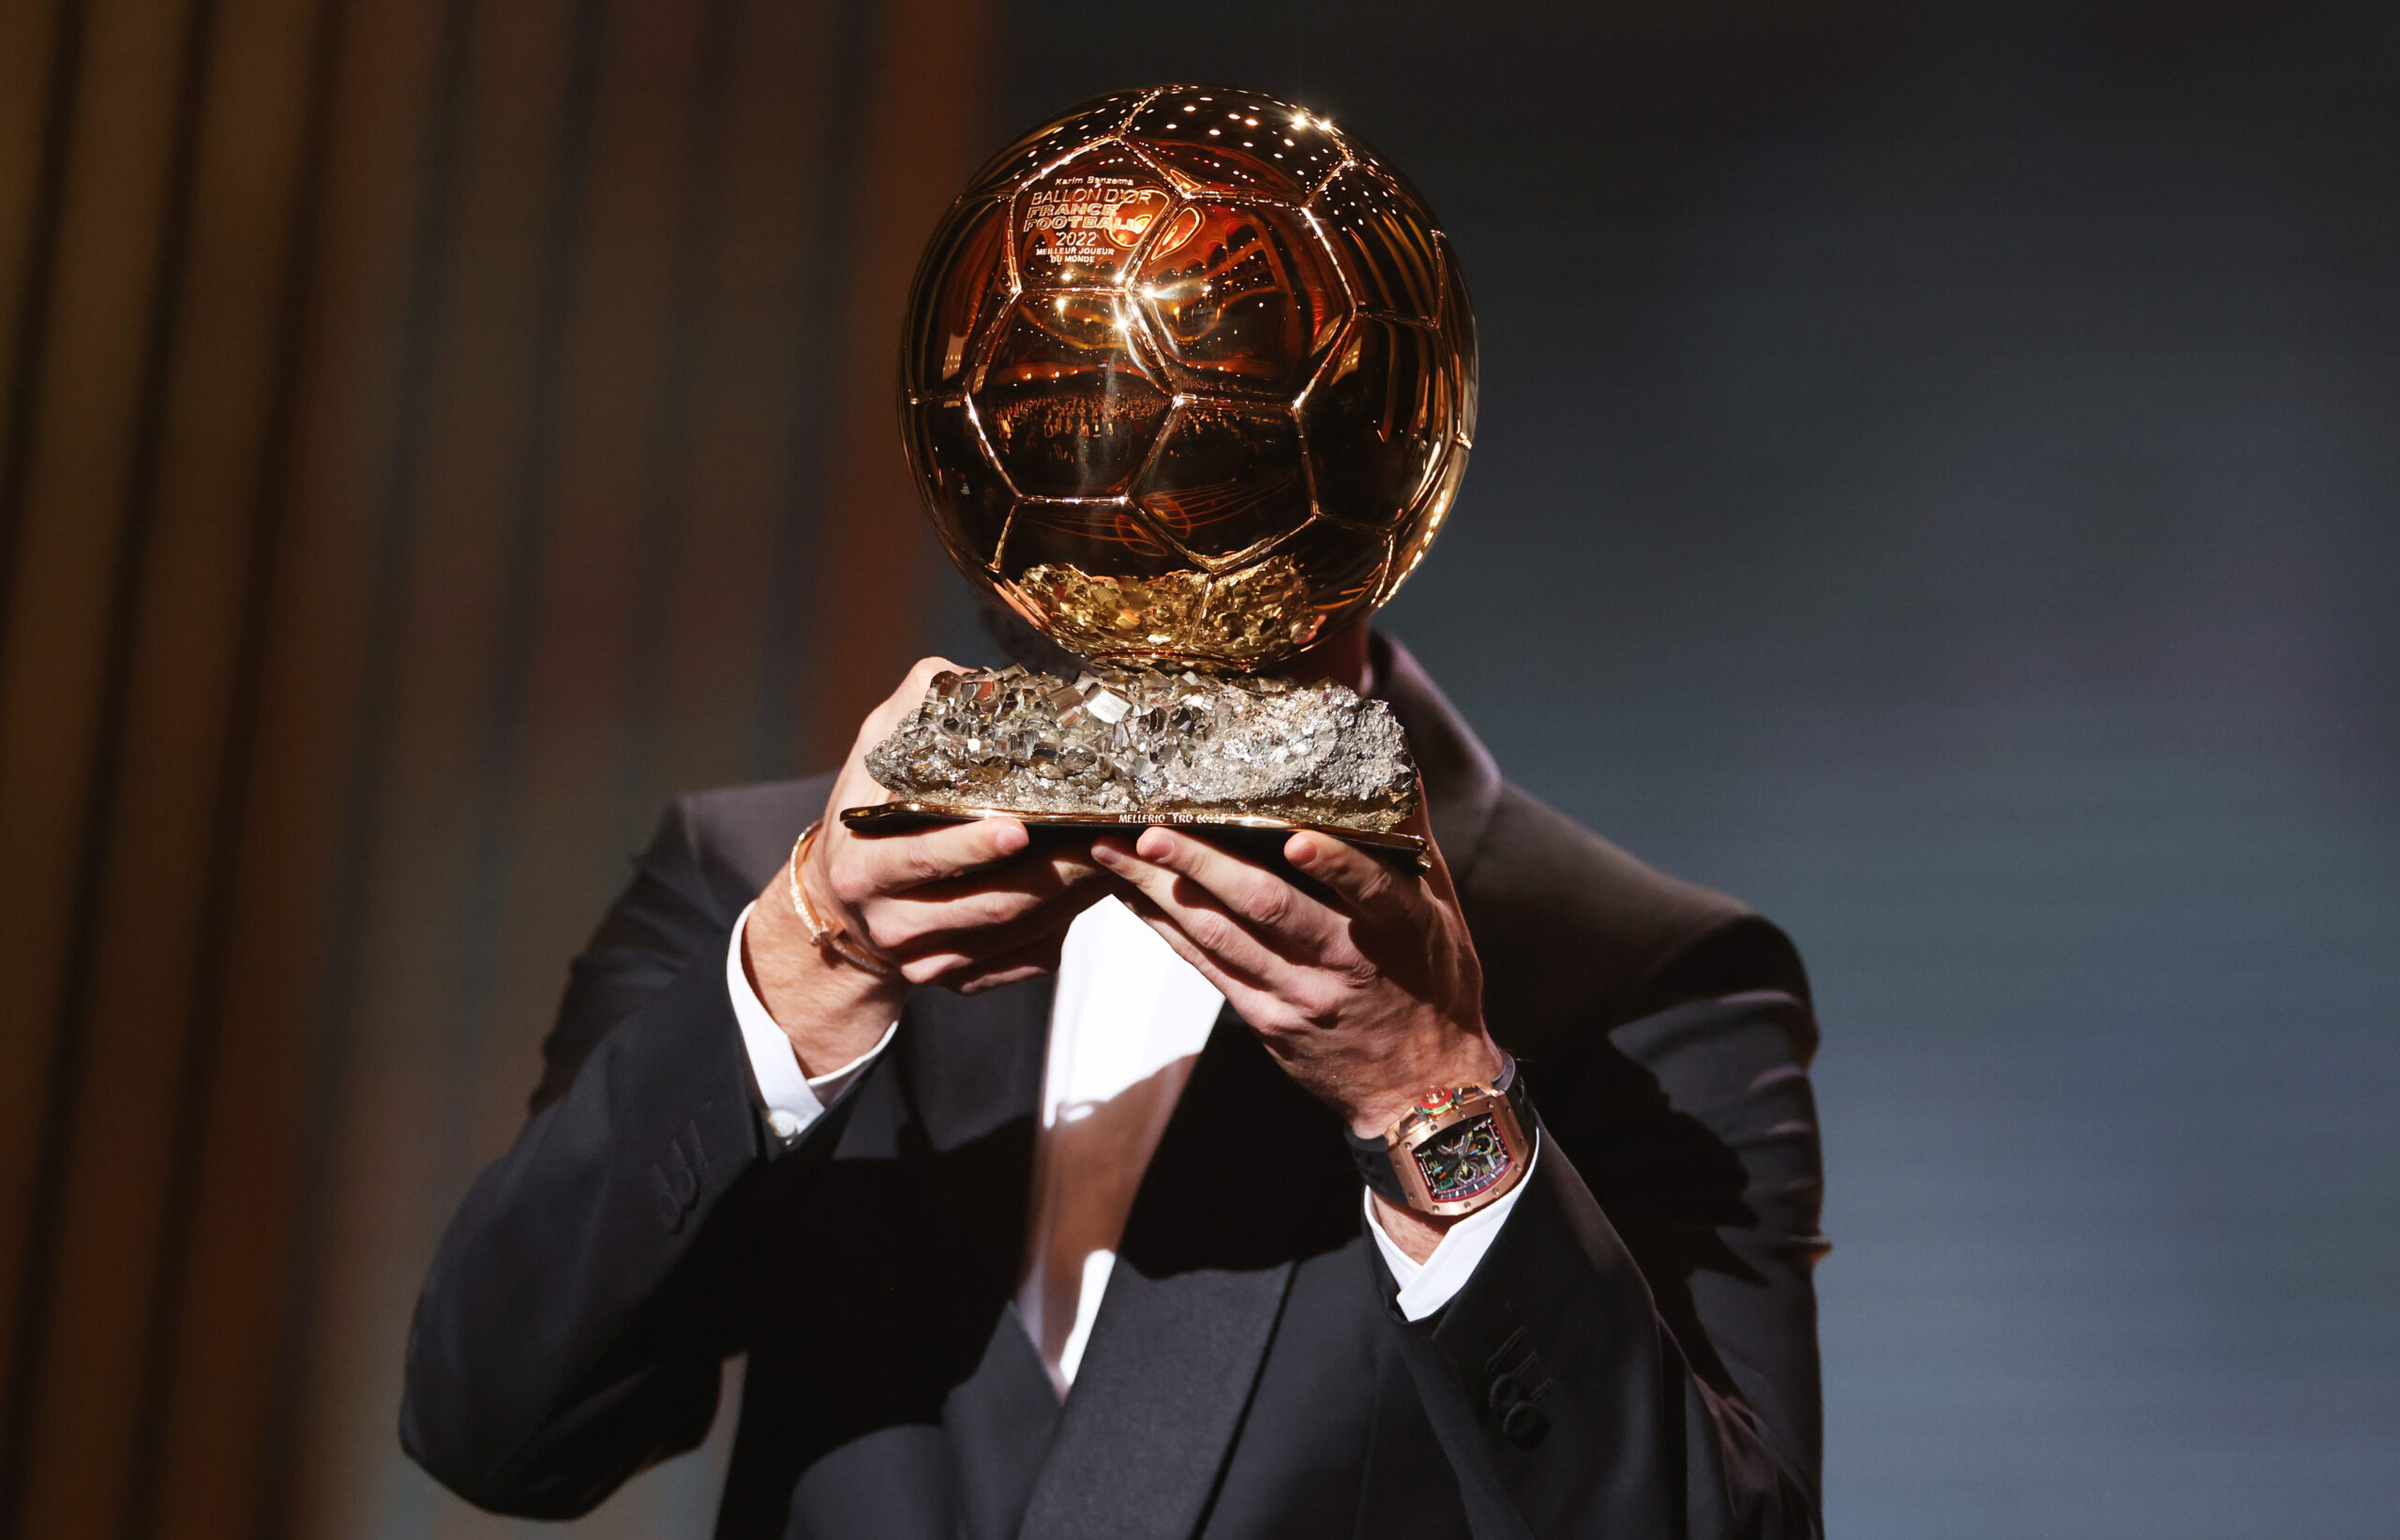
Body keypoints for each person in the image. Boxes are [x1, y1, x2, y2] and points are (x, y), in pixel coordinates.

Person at [400, 620, 1828, 1539]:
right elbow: (496, 1427)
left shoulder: (1651, 972)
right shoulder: (758, 878)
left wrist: (1426, 1088)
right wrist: (809, 967)